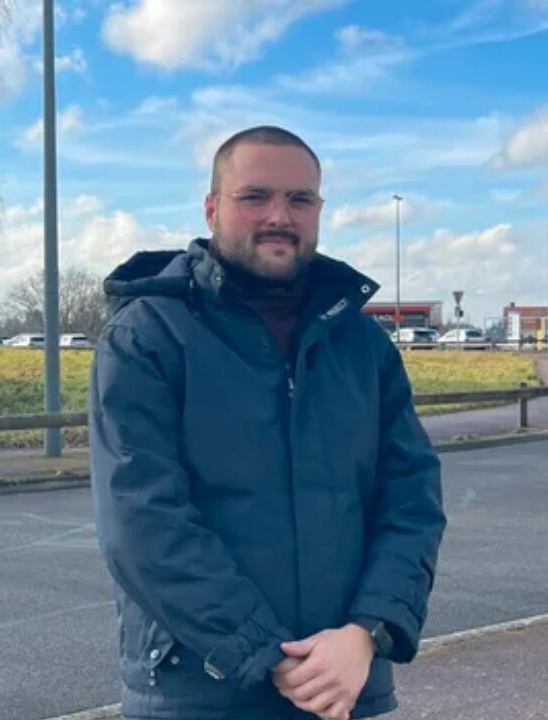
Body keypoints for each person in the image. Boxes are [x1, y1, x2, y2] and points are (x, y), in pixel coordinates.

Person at [88, 125, 447, 720]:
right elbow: (141, 519)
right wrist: (263, 652)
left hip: (345, 685)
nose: (280, 215)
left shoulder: (361, 342)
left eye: (300, 199)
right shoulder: (148, 336)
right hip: (200, 691)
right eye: (255, 196)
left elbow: (411, 499)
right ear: (211, 208)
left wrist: (366, 632)